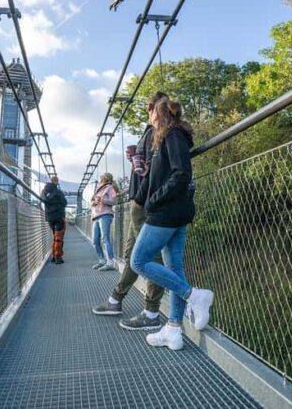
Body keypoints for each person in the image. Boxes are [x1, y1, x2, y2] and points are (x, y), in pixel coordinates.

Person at [130, 98, 214, 350]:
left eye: (151, 111)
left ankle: (194, 295)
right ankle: (174, 330)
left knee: (139, 261)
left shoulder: (174, 134)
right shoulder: (163, 137)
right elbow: (163, 175)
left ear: (159, 113)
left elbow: (181, 174)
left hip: (167, 212)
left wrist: (154, 201)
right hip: (174, 211)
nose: (149, 116)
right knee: (174, 268)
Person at [92, 92, 168, 331]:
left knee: (149, 257)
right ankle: (117, 299)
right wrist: (135, 157)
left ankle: (151, 311)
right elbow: (147, 165)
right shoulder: (151, 132)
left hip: (146, 204)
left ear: (150, 107)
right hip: (138, 203)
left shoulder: (162, 130)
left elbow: (158, 168)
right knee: (133, 257)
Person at [90, 172, 118, 271]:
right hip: (96, 216)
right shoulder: (98, 190)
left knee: (105, 238)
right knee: (94, 240)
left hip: (105, 215)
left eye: (102, 179)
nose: (100, 181)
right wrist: (94, 202)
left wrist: (103, 200)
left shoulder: (110, 188)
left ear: (106, 180)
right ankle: (102, 260)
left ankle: (110, 262)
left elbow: (114, 201)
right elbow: (93, 202)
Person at [41, 176, 68, 264]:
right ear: (56, 182)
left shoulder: (43, 192)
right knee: (59, 237)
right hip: (59, 216)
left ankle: (53, 256)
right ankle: (58, 257)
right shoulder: (58, 191)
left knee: (54, 236)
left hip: (49, 217)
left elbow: (43, 200)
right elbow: (64, 203)